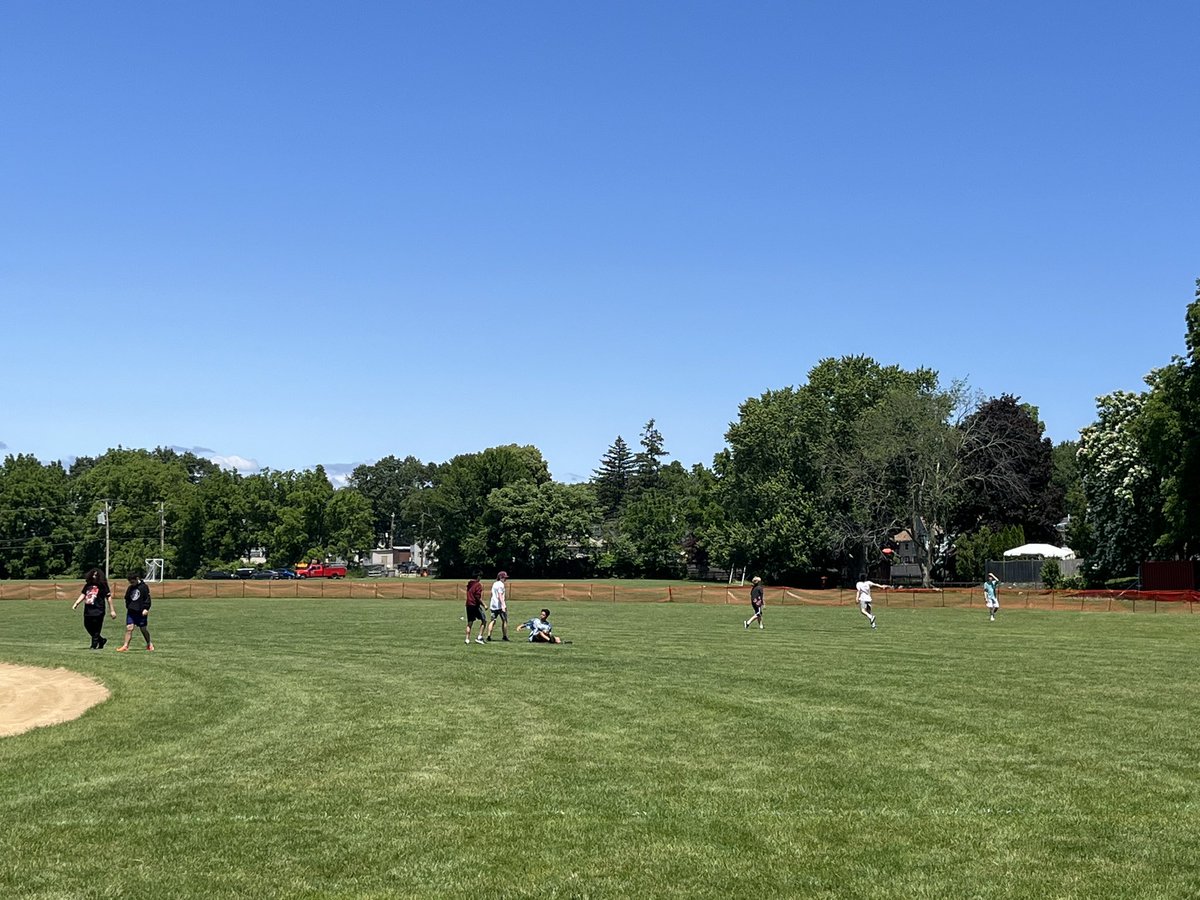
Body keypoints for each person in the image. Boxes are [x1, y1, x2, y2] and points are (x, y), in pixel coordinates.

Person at [71, 568, 116, 649]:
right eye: (93, 575)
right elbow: (83, 594)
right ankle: (101, 640)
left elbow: (108, 597)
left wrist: (112, 610)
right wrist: (76, 603)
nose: (94, 577)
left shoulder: (103, 585)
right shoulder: (88, 585)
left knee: (96, 628)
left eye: (96, 575)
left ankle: (94, 645)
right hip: (88, 609)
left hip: (99, 609)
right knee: (87, 625)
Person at [116, 571, 154, 652]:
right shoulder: (130, 588)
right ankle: (125, 646)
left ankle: (149, 644)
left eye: (132, 581)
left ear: (137, 579)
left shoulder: (144, 587)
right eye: (130, 582)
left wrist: (146, 608)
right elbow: (127, 598)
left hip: (141, 612)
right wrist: (128, 606)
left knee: (143, 629)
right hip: (131, 612)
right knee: (129, 628)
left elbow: (147, 599)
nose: (131, 583)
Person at [486, 570, 509, 642]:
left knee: (493, 620)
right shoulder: (501, 585)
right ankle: (504, 636)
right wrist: (503, 605)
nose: (505, 579)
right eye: (504, 577)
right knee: (504, 620)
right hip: (499, 606)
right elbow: (500, 596)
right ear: (501, 577)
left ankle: (489, 636)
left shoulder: (495, 584)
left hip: (493, 605)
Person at [464, 573, 487, 644]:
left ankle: (467, 639)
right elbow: (477, 597)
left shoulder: (470, 584)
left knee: (470, 622)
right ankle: (479, 637)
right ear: (478, 577)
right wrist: (484, 605)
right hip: (475, 605)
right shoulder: (478, 585)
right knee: (484, 620)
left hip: (468, 605)